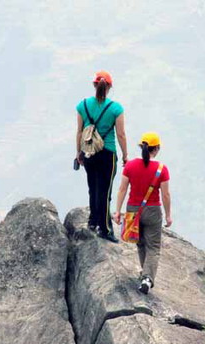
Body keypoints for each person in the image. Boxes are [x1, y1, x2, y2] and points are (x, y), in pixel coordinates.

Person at [113, 132, 172, 294]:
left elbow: (122, 189)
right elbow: (165, 195)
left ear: (142, 147)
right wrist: (168, 215)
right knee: (153, 246)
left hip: (133, 209)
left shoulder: (130, 166)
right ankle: (147, 277)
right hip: (153, 210)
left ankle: (144, 273)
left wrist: (118, 211)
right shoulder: (162, 169)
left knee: (139, 242)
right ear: (157, 149)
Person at [76, 70, 128, 243]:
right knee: (105, 192)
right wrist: (126, 155)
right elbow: (121, 134)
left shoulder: (82, 105)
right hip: (107, 153)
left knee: (93, 187)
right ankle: (105, 229)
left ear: (94, 85)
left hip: (88, 152)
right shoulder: (115, 108)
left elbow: (79, 131)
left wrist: (78, 153)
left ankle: (93, 221)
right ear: (109, 87)